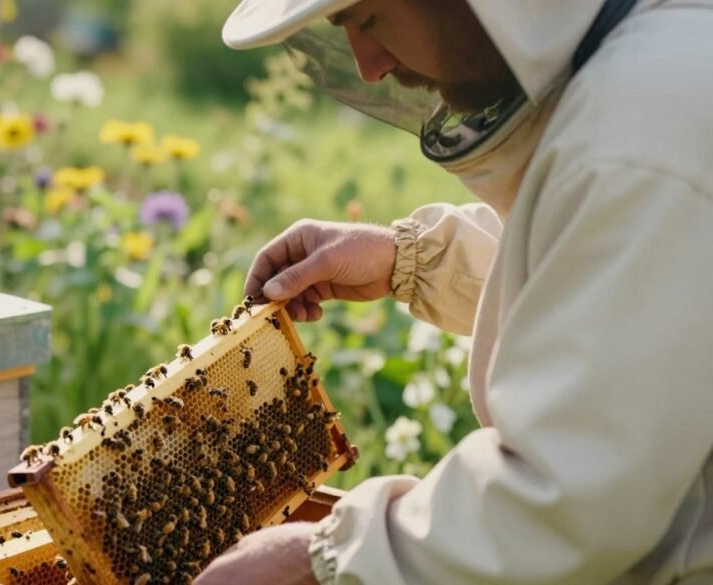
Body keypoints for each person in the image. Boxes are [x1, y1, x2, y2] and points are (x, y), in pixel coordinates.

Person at [195, 0, 713, 584]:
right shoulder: (661, 71)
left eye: (366, 20)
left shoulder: (644, 131)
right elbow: (634, 288)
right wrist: (411, 260)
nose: (366, 67)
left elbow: (567, 501)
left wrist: (323, 560)